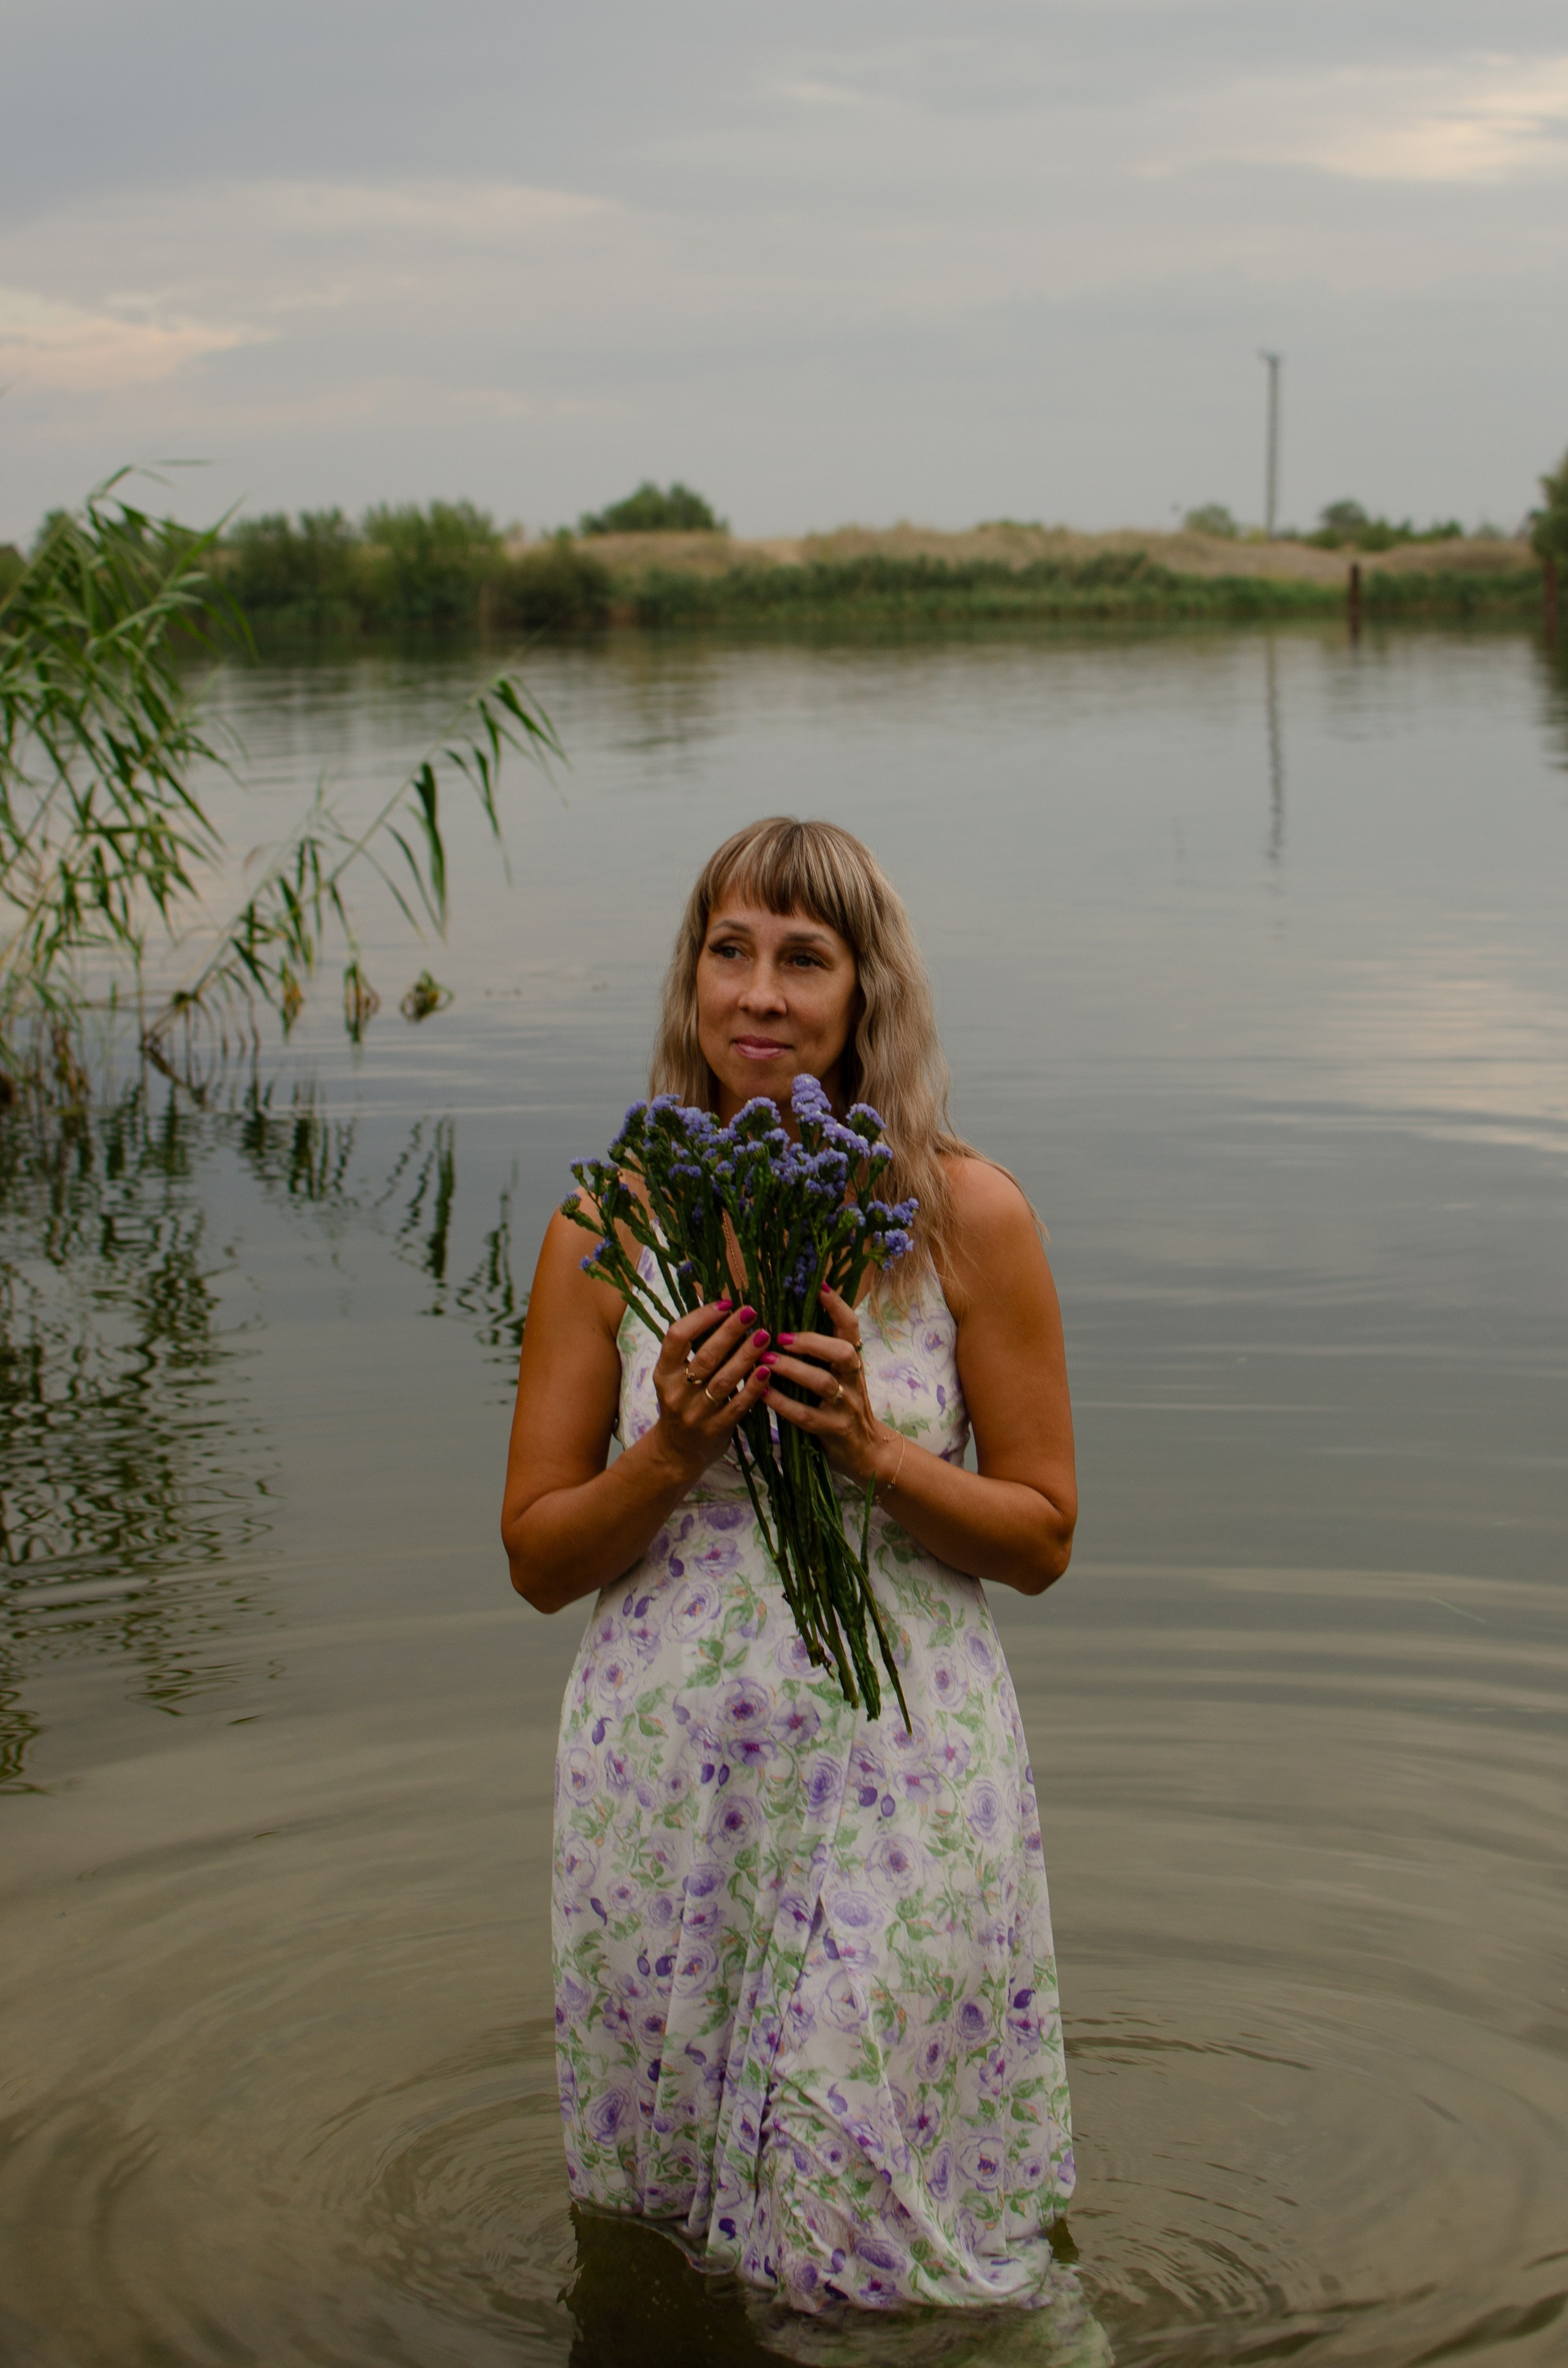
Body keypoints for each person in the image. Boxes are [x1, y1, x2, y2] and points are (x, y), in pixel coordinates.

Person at [502, 816, 1079, 2317]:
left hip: (902, 1769)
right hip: (668, 1788)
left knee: (863, 2222)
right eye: (729, 950)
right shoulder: (605, 1227)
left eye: (804, 958)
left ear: (866, 990)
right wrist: (669, 1452)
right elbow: (537, 1559)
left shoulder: (964, 1217)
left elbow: (1042, 1533)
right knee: (681, 2224)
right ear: (690, 977)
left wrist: (872, 1454)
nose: (758, 993)